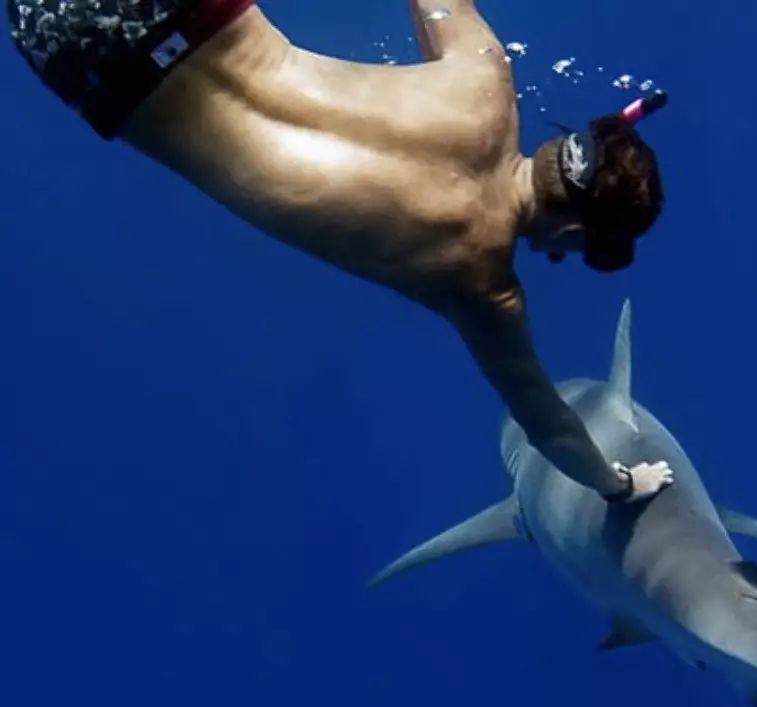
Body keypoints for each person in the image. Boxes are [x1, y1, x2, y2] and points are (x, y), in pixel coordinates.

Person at [8, 0, 675, 503]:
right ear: (573, 231)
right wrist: (621, 485)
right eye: (582, 249)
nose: (560, 256)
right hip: (92, 58)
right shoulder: (482, 286)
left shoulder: (487, 81)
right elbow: (550, 429)